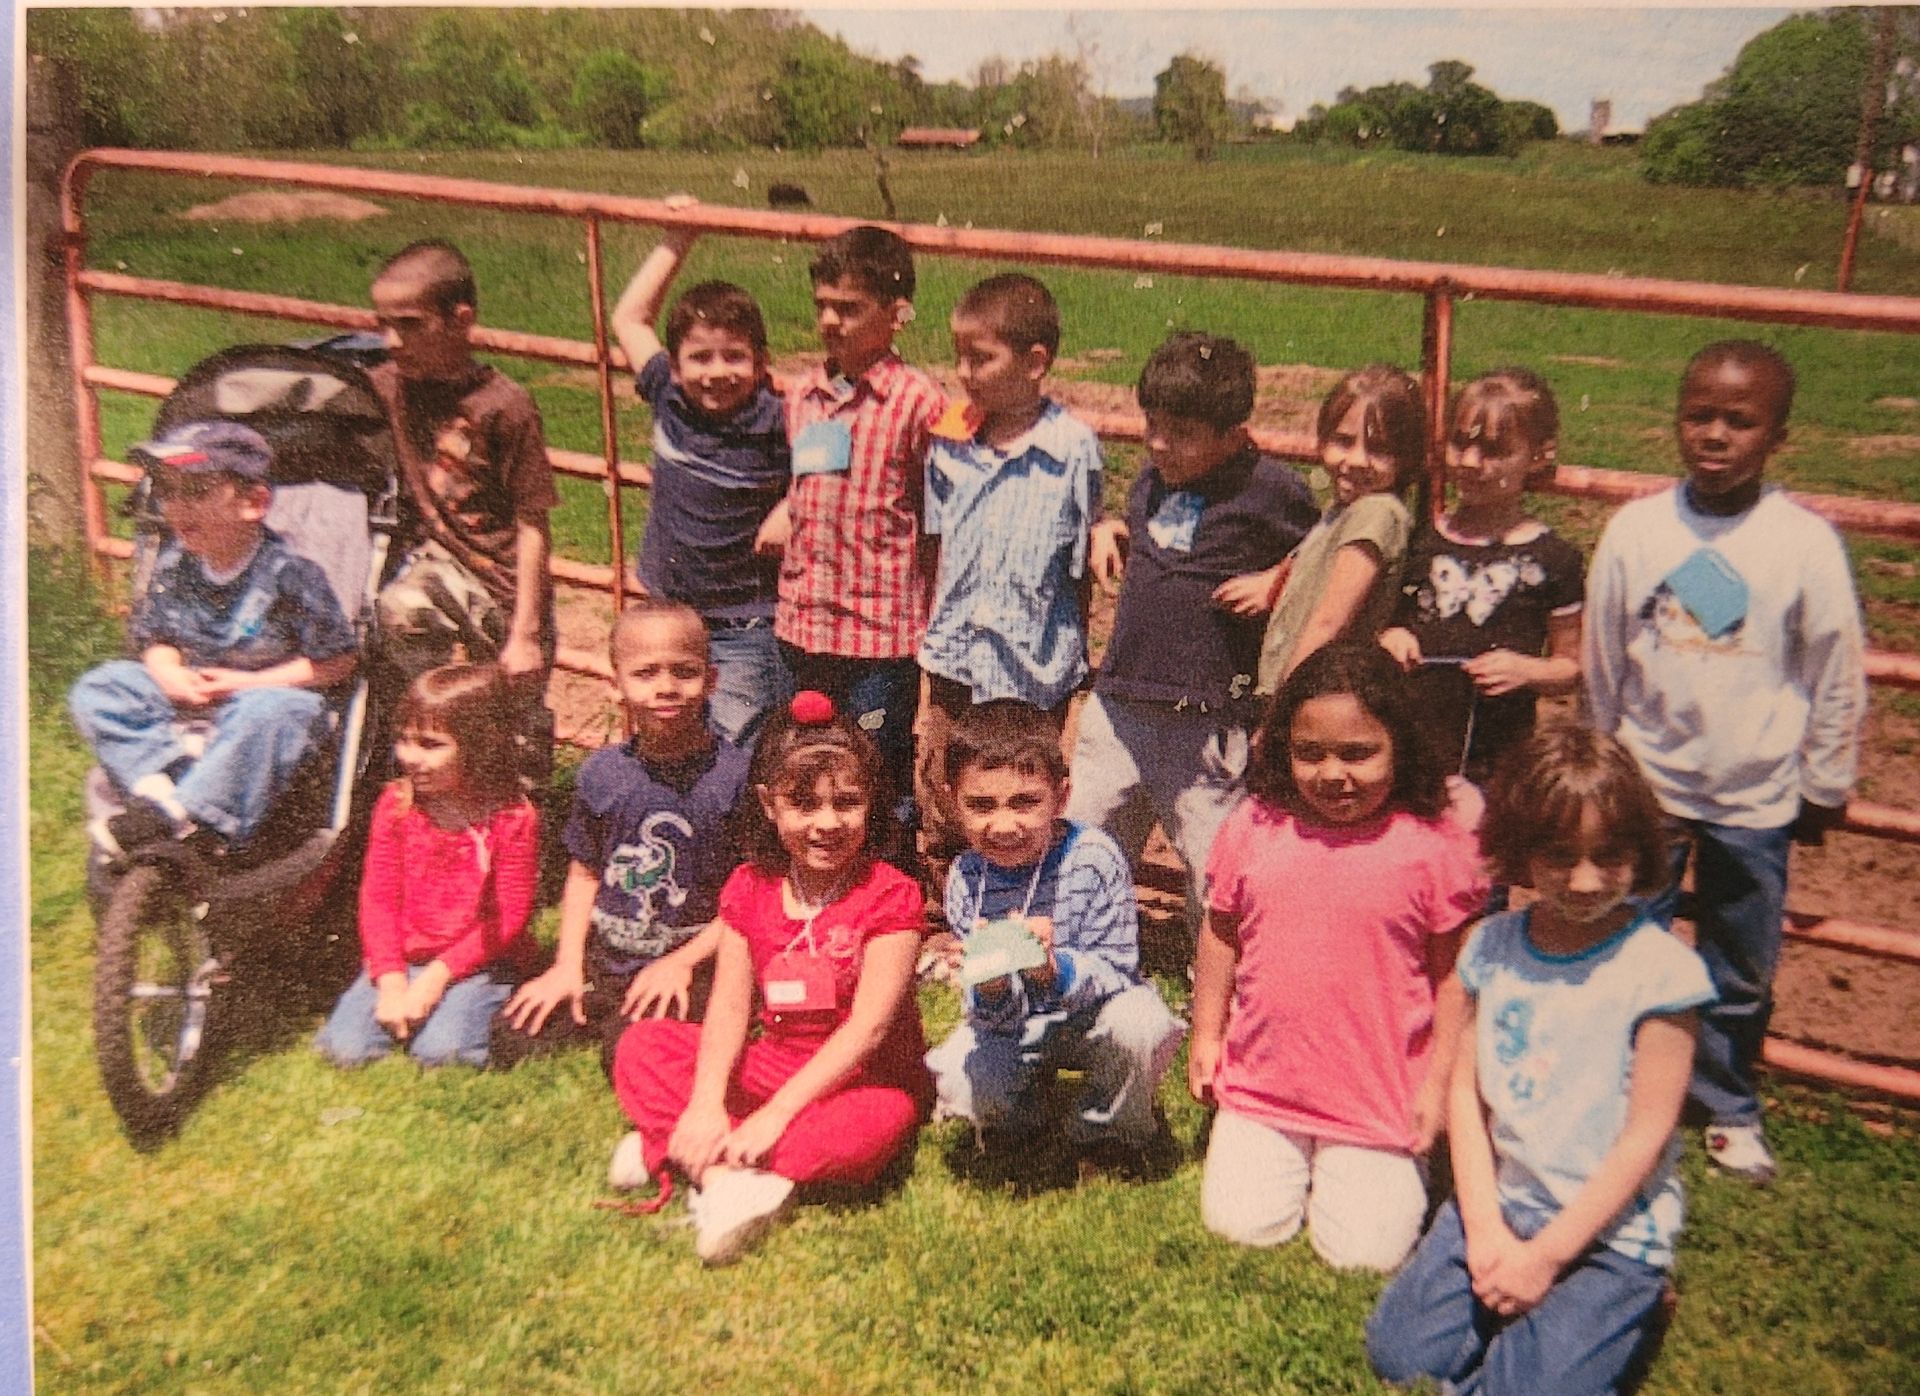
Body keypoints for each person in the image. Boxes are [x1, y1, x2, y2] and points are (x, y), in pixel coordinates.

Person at [1583, 340, 1866, 1184]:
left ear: (1777, 437)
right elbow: (1603, 656)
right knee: (1628, 938)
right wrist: (1602, 763)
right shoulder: (1639, 529)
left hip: (1757, 795)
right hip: (1648, 784)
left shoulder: (1803, 543)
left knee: (1741, 961)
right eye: (1698, 415)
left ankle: (1727, 1100)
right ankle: (1618, 1087)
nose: (1714, 435)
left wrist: (1825, 780)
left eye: (1738, 422)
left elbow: (1835, 666)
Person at [1368, 726, 1714, 1396]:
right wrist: (1488, 1227)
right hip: (1507, 1200)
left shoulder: (1662, 973)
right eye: (1560, 855)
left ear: (1640, 853)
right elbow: (1465, 1096)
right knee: (1397, 1355)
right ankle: (1532, 1310)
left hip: (1607, 1231)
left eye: (1608, 856)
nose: (1585, 880)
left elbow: (1647, 1133)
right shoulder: (1494, 947)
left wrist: (1546, 1256)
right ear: (1521, 851)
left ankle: (1628, 1301)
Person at [1190, 645, 1487, 1271]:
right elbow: (1220, 932)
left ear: (1399, 747)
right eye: (1311, 753)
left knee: (1365, 1256)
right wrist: (1208, 1036)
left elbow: (1458, 975)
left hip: (1378, 1100)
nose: (1333, 773)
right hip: (1265, 1086)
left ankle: (1354, 1169)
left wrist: (1441, 1086)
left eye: (1359, 753)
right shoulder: (1256, 825)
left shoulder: (1432, 844)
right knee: (1239, 1226)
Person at [609, 691, 934, 1264]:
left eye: (847, 803)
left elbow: (869, 1031)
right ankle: (722, 1171)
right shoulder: (750, 887)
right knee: (643, 1045)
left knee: (869, 1132)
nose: (826, 823)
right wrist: (708, 1102)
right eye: (803, 804)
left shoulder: (891, 894)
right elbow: (730, 1010)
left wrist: (776, 1115)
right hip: (774, 1062)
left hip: (860, 1079)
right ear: (768, 804)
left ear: (871, 803)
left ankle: (679, 1149)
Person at [1065, 331, 1320, 939]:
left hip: (1203, 712)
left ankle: (1215, 976)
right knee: (1087, 840)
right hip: (1122, 699)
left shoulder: (1271, 489)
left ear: (1233, 434)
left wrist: (1278, 578)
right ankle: (1086, 961)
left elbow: (1326, 547)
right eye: (1152, 425)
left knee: (1212, 860)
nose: (1158, 443)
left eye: (1180, 433)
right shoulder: (1153, 479)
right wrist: (1106, 529)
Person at [71, 421, 357, 856]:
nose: (179, 508)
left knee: (276, 710)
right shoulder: (175, 566)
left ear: (254, 503)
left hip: (266, 696)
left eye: (199, 492)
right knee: (102, 687)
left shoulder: (290, 575)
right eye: (168, 492)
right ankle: (165, 779)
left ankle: (188, 815)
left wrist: (244, 683)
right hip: (190, 696)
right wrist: (167, 672)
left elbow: (337, 661)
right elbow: (157, 637)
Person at [923, 702, 1183, 1161]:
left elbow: (1118, 970)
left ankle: (1108, 1131)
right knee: (962, 1084)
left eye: (1025, 802)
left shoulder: (1094, 857)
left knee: (1142, 1023)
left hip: (1093, 1013)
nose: (1004, 825)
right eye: (981, 805)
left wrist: (1054, 970)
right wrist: (991, 985)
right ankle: (1029, 1116)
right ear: (952, 799)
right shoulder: (966, 876)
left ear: (1060, 798)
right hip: (1016, 1025)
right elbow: (986, 1016)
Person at [493, 602, 747, 1071]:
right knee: (511, 1036)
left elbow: (751, 898)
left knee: (631, 1054)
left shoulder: (736, 778)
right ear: (616, 686)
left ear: (711, 680)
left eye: (684, 672)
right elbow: (584, 873)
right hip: (608, 960)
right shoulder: (602, 774)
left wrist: (683, 963)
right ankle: (601, 1001)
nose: (666, 687)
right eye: (646, 673)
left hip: (690, 964)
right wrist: (567, 965)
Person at [773, 226, 946, 853]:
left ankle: (887, 881)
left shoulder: (919, 403)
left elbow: (938, 514)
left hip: (881, 629)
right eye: (822, 304)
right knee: (810, 752)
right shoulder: (803, 397)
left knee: (879, 759)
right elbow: (806, 485)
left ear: (896, 314)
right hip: (806, 623)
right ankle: (820, 874)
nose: (829, 321)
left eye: (849, 308)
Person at [916, 273, 1102, 852]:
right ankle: (951, 908)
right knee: (946, 790)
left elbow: (1081, 564)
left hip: (1031, 662)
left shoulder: (1072, 448)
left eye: (981, 358)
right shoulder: (949, 442)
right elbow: (935, 542)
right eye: (958, 358)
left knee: (1021, 795)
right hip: (957, 658)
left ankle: (1024, 912)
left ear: (1035, 362)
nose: (964, 373)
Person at [368, 239, 559, 776]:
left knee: (513, 722)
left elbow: (532, 522)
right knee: (428, 689)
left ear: (460, 320)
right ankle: (428, 811)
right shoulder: (384, 388)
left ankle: (524, 830)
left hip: (501, 588)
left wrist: (524, 633)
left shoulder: (505, 405)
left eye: (408, 324)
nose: (390, 340)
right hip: (432, 578)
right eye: (382, 323)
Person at [610, 212, 794, 747]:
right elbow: (629, 318)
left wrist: (795, 503)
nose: (717, 372)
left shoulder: (778, 416)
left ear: (762, 363)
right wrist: (677, 239)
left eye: (735, 356)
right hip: (668, 612)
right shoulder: (668, 394)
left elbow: (833, 459)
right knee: (666, 736)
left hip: (746, 624)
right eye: (700, 357)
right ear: (675, 362)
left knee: (736, 743)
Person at [315, 664, 540, 1068]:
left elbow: (508, 917)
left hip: (478, 961)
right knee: (346, 1050)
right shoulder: (396, 805)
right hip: (404, 957)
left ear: (480, 745)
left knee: (442, 1052)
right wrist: (390, 979)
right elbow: (379, 899)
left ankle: (490, 1004)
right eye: (404, 740)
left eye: (431, 744)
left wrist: (438, 977)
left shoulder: (511, 818)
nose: (411, 758)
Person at [1379, 368, 1584, 785]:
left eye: (1494, 450)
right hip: (1413, 739)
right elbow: (1387, 620)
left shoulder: (1555, 559)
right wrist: (1393, 636)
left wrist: (1526, 671)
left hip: (1499, 752)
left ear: (1539, 456)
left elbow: (1571, 667)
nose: (1470, 462)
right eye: (1460, 443)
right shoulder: (1423, 538)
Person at [1238, 365, 1424, 694]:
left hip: (1314, 693)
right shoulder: (1347, 511)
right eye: (1343, 441)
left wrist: (1285, 702)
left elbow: (1330, 622)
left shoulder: (1376, 512)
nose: (1356, 460)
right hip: (1305, 690)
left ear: (1406, 457)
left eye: (1378, 449)